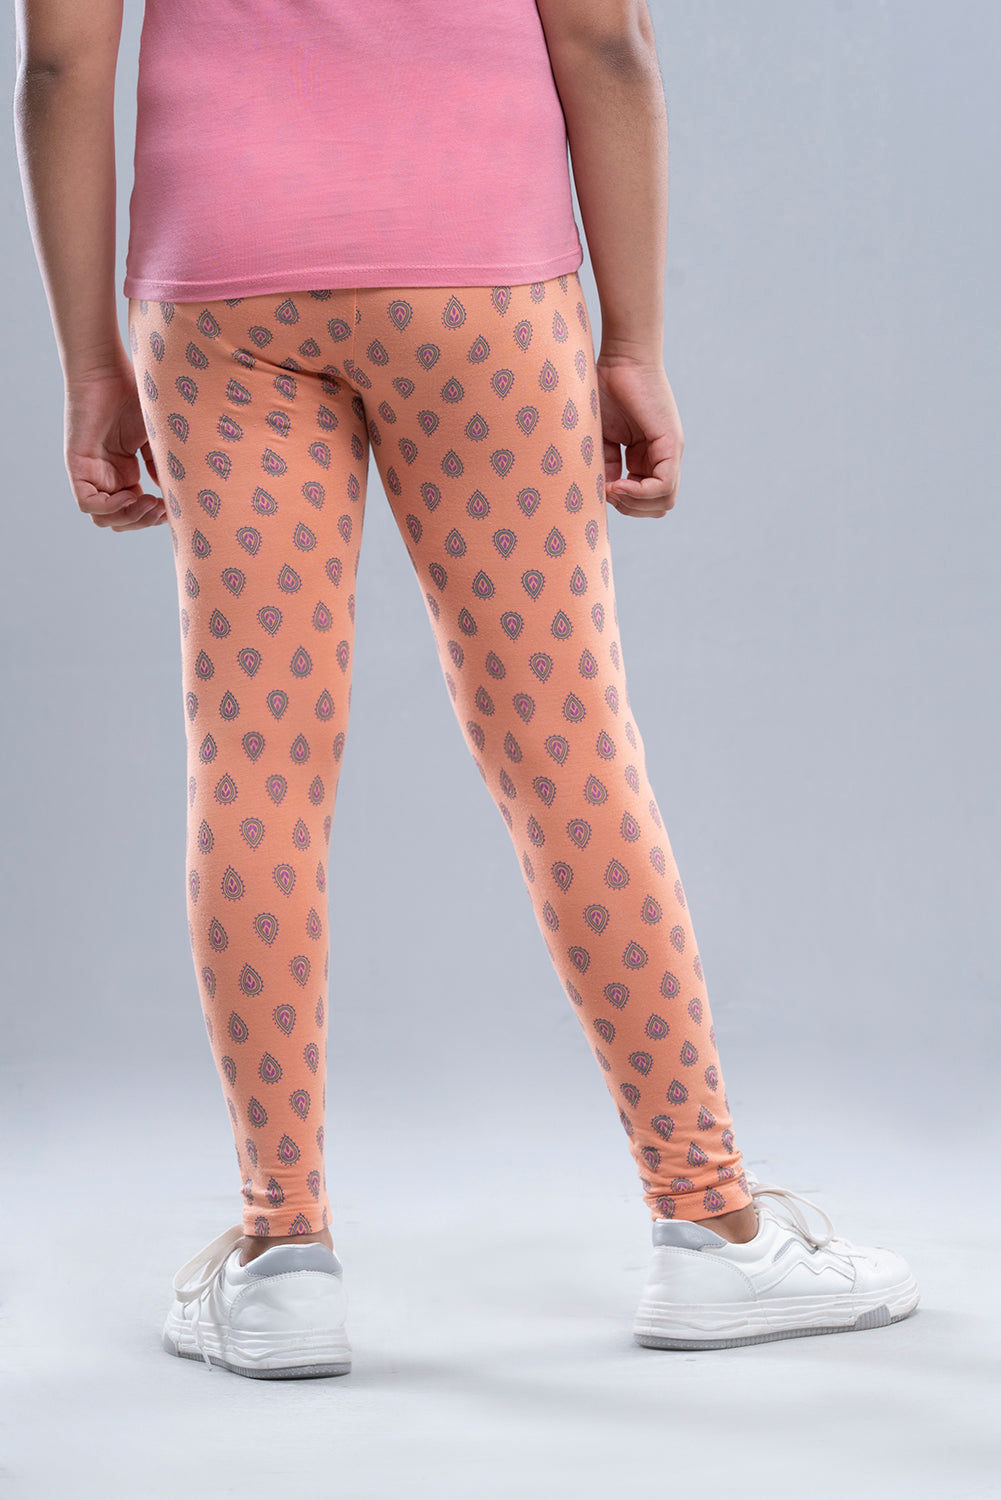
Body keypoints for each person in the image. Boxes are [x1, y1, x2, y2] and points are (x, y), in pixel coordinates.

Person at [12, 0, 919, 1378]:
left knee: (254, 764)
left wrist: (89, 366)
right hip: (481, 286)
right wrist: (632, 340)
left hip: (218, 291)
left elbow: (60, 61)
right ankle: (710, 1225)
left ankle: (282, 1254)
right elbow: (604, 42)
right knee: (567, 750)